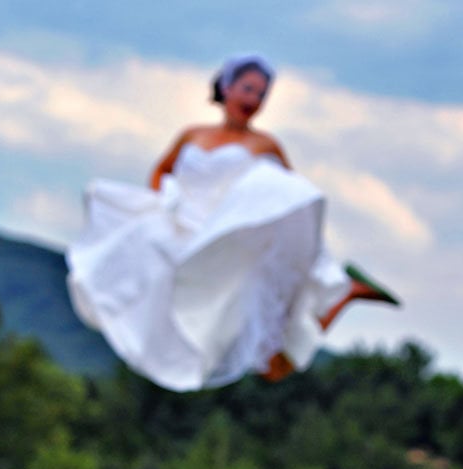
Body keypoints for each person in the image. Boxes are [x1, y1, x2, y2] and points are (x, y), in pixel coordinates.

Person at [66, 54, 399, 391]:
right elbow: (162, 170)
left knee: (269, 360)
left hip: (231, 246)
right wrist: (163, 204)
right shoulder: (192, 135)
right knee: (143, 262)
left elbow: (286, 199)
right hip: (184, 229)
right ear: (227, 88)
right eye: (248, 89)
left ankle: (348, 293)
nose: (253, 100)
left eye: (261, 95)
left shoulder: (265, 145)